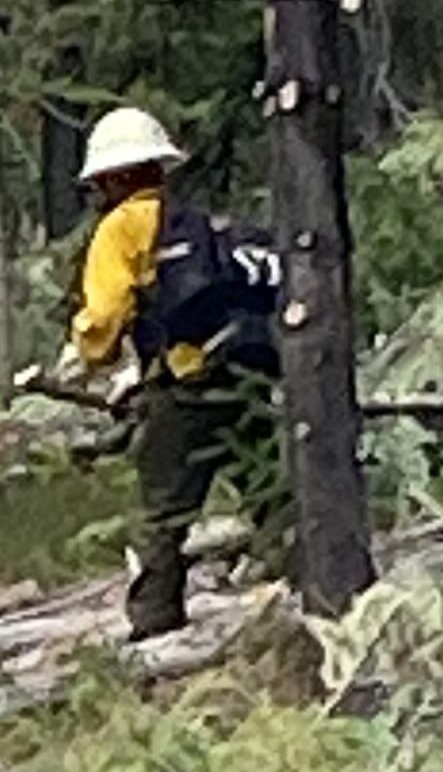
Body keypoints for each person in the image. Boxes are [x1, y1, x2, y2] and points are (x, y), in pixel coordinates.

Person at [47, 104, 280, 640]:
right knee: (272, 494)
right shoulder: (193, 222)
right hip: (244, 377)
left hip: (184, 389)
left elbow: (104, 319)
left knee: (164, 514)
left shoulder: (121, 230)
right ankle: (303, 589)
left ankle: (154, 628)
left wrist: (86, 358)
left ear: (113, 176)